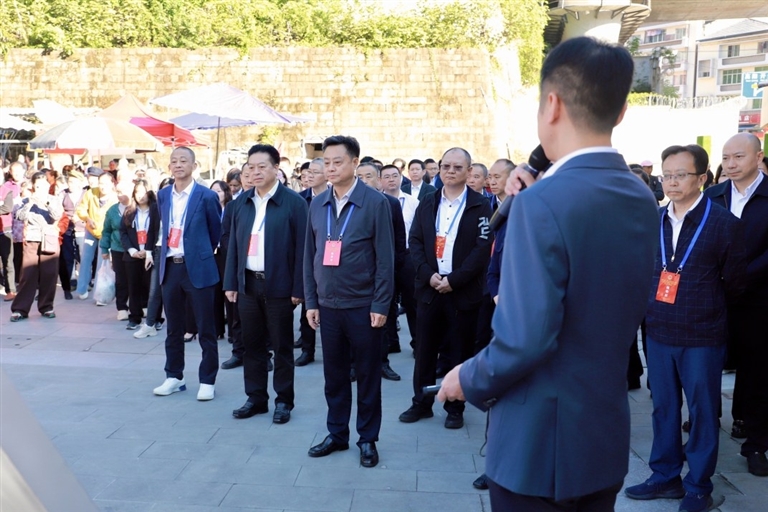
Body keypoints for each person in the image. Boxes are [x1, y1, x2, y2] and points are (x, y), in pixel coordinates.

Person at [438, 36, 659, 510]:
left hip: (537, 448)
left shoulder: (542, 203)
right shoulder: (640, 196)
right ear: (621, 112)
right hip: (600, 437)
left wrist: (466, 377)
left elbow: (525, 339)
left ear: (552, 105)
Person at [624, 144, 746, 512]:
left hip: (702, 336)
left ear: (702, 178)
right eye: (667, 176)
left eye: (681, 175)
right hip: (659, 333)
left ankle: (698, 486)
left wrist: (708, 308)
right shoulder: (654, 220)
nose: (672, 182)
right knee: (663, 408)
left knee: (703, 411)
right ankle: (665, 476)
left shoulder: (723, 224)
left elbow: (736, 283)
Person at [304, 135, 394, 468]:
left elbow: (385, 259)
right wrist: (311, 301)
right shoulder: (317, 203)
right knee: (334, 375)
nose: (330, 168)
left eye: (337, 162)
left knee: (368, 375)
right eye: (326, 162)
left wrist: (381, 305)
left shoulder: (375, 202)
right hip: (328, 306)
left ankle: (367, 438)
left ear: (355, 163)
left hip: (363, 306)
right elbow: (309, 256)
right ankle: (337, 433)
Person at [399, 147, 493, 430]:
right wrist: (429, 275)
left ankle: (455, 407)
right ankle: (421, 403)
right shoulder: (428, 201)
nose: (450, 171)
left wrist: (455, 280)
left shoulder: (480, 205)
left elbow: (482, 248)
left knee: (459, 351)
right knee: (425, 350)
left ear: (469, 171)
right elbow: (415, 241)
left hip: (462, 291)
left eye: (457, 167)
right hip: (430, 290)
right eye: (446, 166)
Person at [224, 144, 308, 424]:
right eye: (251, 167)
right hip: (248, 284)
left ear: (276, 168)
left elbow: (303, 249)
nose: (255, 172)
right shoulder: (241, 203)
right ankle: (256, 397)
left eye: (262, 166)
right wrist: (231, 282)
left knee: (282, 347)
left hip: (280, 286)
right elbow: (234, 247)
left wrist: (299, 288)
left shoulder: (294, 203)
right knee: (252, 344)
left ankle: (283, 401)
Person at [704, 133, 768, 476]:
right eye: (726, 157)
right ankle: (704, 428)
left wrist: (740, 276)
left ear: (758, 157)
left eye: (738, 157)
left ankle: (756, 444)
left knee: (757, 373)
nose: (730, 164)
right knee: (706, 366)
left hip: (759, 299)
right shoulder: (712, 196)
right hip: (714, 297)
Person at [152, 147, 222, 401]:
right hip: (171, 266)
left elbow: (216, 232)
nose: (178, 164)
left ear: (194, 165)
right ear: (169, 166)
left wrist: (199, 252)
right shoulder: (163, 195)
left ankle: (207, 380)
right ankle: (174, 376)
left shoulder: (206, 195)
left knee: (205, 327)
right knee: (173, 327)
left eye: (183, 160)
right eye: (174, 161)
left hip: (199, 267)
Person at [355, 162, 406, 381]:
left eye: (369, 176)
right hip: (357, 274)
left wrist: (394, 269)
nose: (364, 180)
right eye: (360, 176)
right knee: (356, 322)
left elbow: (399, 239)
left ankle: (383, 363)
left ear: (378, 179)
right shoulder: (350, 204)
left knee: (384, 319)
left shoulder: (390, 203)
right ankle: (354, 365)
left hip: (384, 272)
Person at [9, 172, 63, 321]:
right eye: (37, 186)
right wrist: (30, 203)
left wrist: (46, 203)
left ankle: (46, 307)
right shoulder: (26, 200)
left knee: (49, 274)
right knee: (28, 274)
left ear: (48, 185)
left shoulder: (54, 199)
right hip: (32, 239)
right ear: (33, 186)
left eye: (43, 185)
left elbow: (56, 216)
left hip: (49, 238)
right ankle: (20, 309)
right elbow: (19, 216)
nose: (41, 189)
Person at [380, 163, 420, 357]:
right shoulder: (377, 202)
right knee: (387, 302)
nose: (391, 180)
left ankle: (417, 343)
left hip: (408, 256)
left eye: (394, 176)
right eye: (386, 176)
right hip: (385, 257)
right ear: (380, 180)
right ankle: (391, 342)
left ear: (401, 178)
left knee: (412, 302)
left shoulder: (413, 202)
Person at [295, 157, 328, 367]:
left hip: (331, 259)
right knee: (308, 306)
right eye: (308, 172)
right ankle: (307, 350)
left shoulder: (334, 197)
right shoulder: (300, 200)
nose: (310, 176)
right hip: (307, 259)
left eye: (316, 172)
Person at [119, 180, 159, 331]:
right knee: (133, 287)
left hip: (151, 254)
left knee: (153, 289)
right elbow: (123, 232)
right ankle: (134, 317)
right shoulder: (129, 211)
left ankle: (155, 318)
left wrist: (148, 251)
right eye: (137, 192)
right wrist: (132, 250)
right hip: (133, 255)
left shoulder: (156, 210)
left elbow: (157, 232)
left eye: (143, 192)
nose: (140, 196)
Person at [75, 168, 117, 300]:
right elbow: (81, 209)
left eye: (105, 183)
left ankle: (100, 292)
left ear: (112, 184)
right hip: (91, 230)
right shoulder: (90, 193)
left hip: (106, 234)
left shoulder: (115, 198)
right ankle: (82, 288)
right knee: (85, 259)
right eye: (100, 183)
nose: (102, 186)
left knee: (102, 262)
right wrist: (87, 218)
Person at [100, 180, 132, 315]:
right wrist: (104, 248)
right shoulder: (112, 210)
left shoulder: (138, 208)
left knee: (136, 279)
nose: (119, 195)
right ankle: (122, 308)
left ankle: (141, 305)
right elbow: (106, 230)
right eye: (117, 192)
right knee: (121, 280)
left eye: (122, 192)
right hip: (117, 249)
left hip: (135, 250)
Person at [210, 180, 233, 341]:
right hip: (212, 254)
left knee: (229, 292)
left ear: (226, 192)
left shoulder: (231, 209)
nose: (215, 194)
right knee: (214, 293)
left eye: (218, 191)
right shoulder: (208, 208)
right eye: (212, 191)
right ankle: (217, 329)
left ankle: (233, 331)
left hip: (227, 254)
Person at [57, 170, 85, 300]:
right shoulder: (63, 194)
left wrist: (81, 219)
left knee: (82, 256)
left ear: (80, 182)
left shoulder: (86, 194)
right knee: (67, 257)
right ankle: (69, 282)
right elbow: (58, 210)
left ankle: (84, 282)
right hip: (66, 230)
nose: (71, 184)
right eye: (69, 182)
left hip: (82, 228)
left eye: (74, 182)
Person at [0, 162, 24, 301]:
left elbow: (7, 208)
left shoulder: (6, 190)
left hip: (6, 230)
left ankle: (11, 290)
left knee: (8, 261)